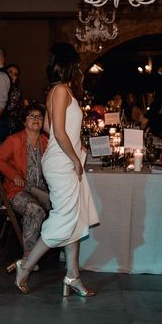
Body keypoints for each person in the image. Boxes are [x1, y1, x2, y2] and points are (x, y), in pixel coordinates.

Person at [8, 42, 99, 297]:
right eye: (77, 64)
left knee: (75, 217)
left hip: (61, 158)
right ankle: (25, 265)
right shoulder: (60, 91)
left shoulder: (59, 91)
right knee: (63, 218)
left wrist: (76, 147)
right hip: (62, 162)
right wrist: (74, 158)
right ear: (70, 65)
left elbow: (48, 126)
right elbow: (58, 132)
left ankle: (72, 276)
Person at [0, 103, 49, 261]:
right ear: (24, 121)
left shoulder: (46, 141)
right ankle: (29, 257)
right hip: (18, 192)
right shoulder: (14, 140)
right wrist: (13, 174)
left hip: (44, 192)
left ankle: (66, 251)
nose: (36, 119)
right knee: (34, 209)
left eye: (39, 116)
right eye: (31, 116)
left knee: (68, 205)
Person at [6, 63, 25, 134]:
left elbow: (9, 108)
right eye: (10, 72)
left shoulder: (16, 91)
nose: (12, 75)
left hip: (10, 126)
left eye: (15, 74)